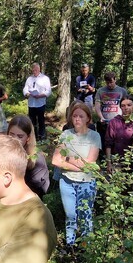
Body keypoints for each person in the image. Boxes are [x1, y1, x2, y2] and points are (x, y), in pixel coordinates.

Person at [52, 102, 101, 246]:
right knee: (70, 215)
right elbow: (55, 160)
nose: (77, 119)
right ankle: (70, 245)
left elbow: (90, 163)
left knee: (85, 215)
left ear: (88, 119)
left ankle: (87, 247)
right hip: (67, 181)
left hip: (87, 182)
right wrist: (81, 164)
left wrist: (67, 158)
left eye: (81, 116)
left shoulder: (94, 136)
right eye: (74, 116)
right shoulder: (66, 134)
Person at [7, 115, 50, 198]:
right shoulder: (2, 151)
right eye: (11, 134)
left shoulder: (36, 158)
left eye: (20, 136)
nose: (15, 139)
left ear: (28, 138)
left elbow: (40, 188)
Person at [104, 96, 133, 173]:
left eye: (129, 105)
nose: (126, 108)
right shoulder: (114, 122)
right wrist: (109, 163)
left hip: (131, 162)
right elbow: (108, 143)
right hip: (116, 160)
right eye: (123, 105)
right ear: (120, 108)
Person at [22, 62, 52, 140]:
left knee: (41, 120)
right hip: (31, 103)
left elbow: (48, 91)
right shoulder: (29, 79)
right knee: (32, 121)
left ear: (39, 69)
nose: (34, 71)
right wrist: (27, 94)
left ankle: (42, 136)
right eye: (33, 69)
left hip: (40, 103)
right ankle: (33, 136)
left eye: (36, 69)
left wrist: (40, 95)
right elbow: (25, 88)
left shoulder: (45, 78)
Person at [94, 72, 128, 136]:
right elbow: (97, 105)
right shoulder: (100, 91)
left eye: (111, 82)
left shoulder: (122, 91)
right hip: (104, 122)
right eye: (107, 83)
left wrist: (125, 117)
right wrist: (101, 117)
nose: (109, 84)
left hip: (118, 122)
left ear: (115, 80)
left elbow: (126, 105)